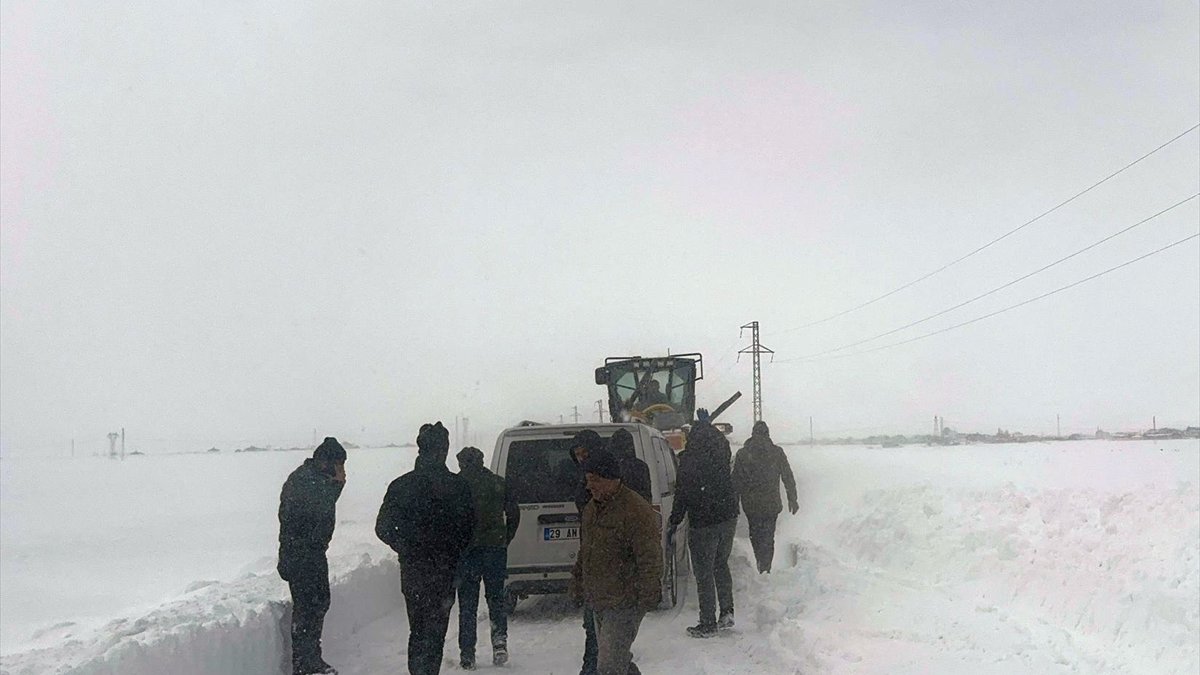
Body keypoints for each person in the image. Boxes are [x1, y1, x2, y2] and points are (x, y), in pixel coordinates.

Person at [375, 422, 475, 675]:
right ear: (444, 450)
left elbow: (382, 528)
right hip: (445, 571)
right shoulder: (458, 487)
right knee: (436, 632)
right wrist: (451, 550)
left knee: (418, 630)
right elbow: (469, 528)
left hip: (413, 572)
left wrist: (407, 547)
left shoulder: (401, 486)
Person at [570, 449, 662, 675]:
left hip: (624, 599)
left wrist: (649, 592)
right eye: (587, 480)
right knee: (615, 659)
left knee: (609, 665)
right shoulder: (592, 509)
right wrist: (578, 581)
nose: (589, 486)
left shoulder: (636, 511)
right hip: (598, 598)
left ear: (613, 480)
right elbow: (587, 550)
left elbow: (649, 556)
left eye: (595, 480)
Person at [277, 437, 347, 675]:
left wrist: (336, 485)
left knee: (319, 603)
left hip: (312, 553)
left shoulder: (316, 479)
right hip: (300, 554)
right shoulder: (303, 481)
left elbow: (323, 509)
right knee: (308, 608)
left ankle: (311, 658)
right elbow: (314, 512)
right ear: (325, 462)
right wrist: (335, 485)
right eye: (339, 464)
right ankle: (304, 663)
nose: (343, 471)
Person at [667, 408, 739, 638]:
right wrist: (708, 425)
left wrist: (674, 521)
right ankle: (726, 612)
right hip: (728, 517)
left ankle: (708, 622)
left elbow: (682, 493)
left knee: (704, 572)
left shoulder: (689, 460)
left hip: (704, 521)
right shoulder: (721, 453)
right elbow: (721, 442)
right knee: (721, 563)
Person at [454, 446, 520, 670]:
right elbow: (514, 513)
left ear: (462, 462)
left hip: (466, 552)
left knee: (468, 604)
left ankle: (467, 652)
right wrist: (505, 538)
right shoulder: (498, 483)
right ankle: (499, 642)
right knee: (496, 599)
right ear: (481, 461)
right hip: (494, 549)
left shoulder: (457, 485)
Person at [732, 420, 799, 573]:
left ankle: (760, 562)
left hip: (751, 504)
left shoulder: (743, 454)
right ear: (768, 434)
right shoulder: (777, 452)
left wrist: (734, 503)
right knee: (768, 536)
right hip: (771, 503)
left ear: (753, 433)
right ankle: (766, 566)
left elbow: (736, 481)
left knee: (755, 535)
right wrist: (792, 498)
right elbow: (787, 476)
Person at [606, 428, 652, 503]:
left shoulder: (608, 466)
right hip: (638, 508)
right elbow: (646, 494)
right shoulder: (641, 466)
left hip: (616, 509)